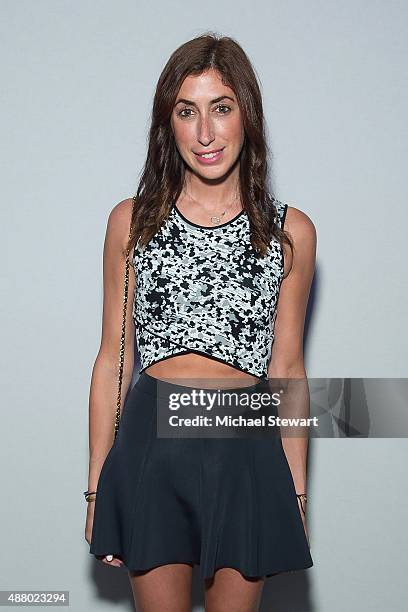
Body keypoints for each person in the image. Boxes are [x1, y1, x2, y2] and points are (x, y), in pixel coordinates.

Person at [85, 32, 316, 612]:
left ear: (247, 116)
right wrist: (97, 485)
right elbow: (115, 356)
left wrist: (297, 493)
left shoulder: (290, 233)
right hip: (151, 448)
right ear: (169, 123)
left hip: (245, 451)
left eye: (221, 108)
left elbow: (287, 366)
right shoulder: (131, 222)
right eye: (187, 111)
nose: (205, 133)